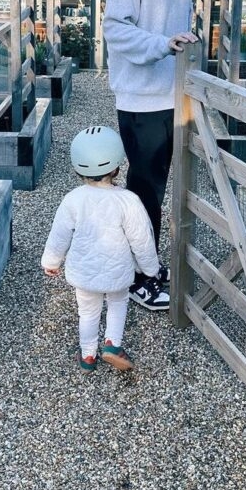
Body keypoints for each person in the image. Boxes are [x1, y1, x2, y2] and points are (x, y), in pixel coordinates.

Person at [102, 0, 197, 311]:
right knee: (145, 192)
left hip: (173, 96)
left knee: (161, 189)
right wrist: (162, 45)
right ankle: (141, 278)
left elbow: (179, 22)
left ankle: (146, 264)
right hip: (141, 100)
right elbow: (116, 29)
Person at [41, 125, 165, 373]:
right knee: (118, 303)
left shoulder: (73, 199)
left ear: (77, 167)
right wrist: (150, 268)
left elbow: (59, 234)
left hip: (84, 273)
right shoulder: (127, 200)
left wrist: (51, 262)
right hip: (117, 272)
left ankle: (88, 356)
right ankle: (112, 345)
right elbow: (141, 239)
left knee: (87, 312)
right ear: (118, 166)